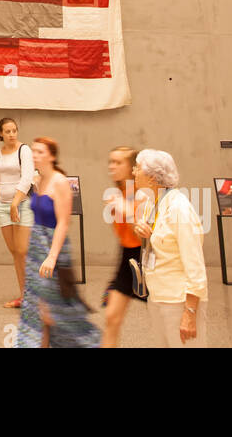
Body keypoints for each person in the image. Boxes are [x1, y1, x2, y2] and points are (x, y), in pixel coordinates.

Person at [15, 137, 99, 347]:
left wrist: (52, 257)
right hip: (36, 247)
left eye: (41, 152)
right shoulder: (37, 179)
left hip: (53, 247)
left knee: (53, 309)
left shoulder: (60, 181)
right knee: (37, 308)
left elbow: (63, 223)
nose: (35, 155)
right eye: (34, 151)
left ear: (52, 156)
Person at [134, 149, 207, 347]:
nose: (133, 172)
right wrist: (143, 231)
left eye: (138, 168)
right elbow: (158, 239)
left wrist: (190, 313)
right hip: (158, 296)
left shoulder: (180, 209)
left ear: (152, 177)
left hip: (178, 301)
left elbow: (195, 266)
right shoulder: (155, 203)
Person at [101, 145, 145, 347]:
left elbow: (143, 231)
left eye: (118, 162)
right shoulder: (117, 193)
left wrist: (125, 210)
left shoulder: (144, 192)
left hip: (148, 257)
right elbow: (124, 236)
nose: (112, 166)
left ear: (132, 167)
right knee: (112, 317)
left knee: (164, 317)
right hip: (128, 256)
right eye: (111, 161)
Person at [0, 117, 34, 308]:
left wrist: (15, 203)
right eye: (7, 131)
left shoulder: (24, 150)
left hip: (22, 204)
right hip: (3, 206)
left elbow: (27, 178)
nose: (11, 134)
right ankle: (24, 296)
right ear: (0, 133)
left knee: (23, 251)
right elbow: (0, 178)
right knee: (15, 253)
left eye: (14, 130)